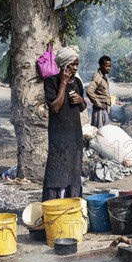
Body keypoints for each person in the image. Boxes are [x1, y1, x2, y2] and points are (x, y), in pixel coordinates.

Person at [42, 46, 87, 202]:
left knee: (74, 171)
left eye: (76, 65)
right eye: (72, 65)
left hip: (75, 134)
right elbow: (55, 107)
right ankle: (55, 204)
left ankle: (72, 202)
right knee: (57, 171)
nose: (75, 68)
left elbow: (82, 108)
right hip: (58, 135)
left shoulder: (78, 83)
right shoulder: (51, 82)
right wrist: (63, 83)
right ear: (63, 65)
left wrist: (81, 100)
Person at [86, 55, 112, 128]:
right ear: (100, 65)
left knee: (104, 132)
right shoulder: (98, 77)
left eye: (110, 66)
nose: (109, 68)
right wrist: (98, 104)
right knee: (99, 132)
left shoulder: (103, 77)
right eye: (107, 66)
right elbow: (89, 91)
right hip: (99, 111)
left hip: (104, 110)